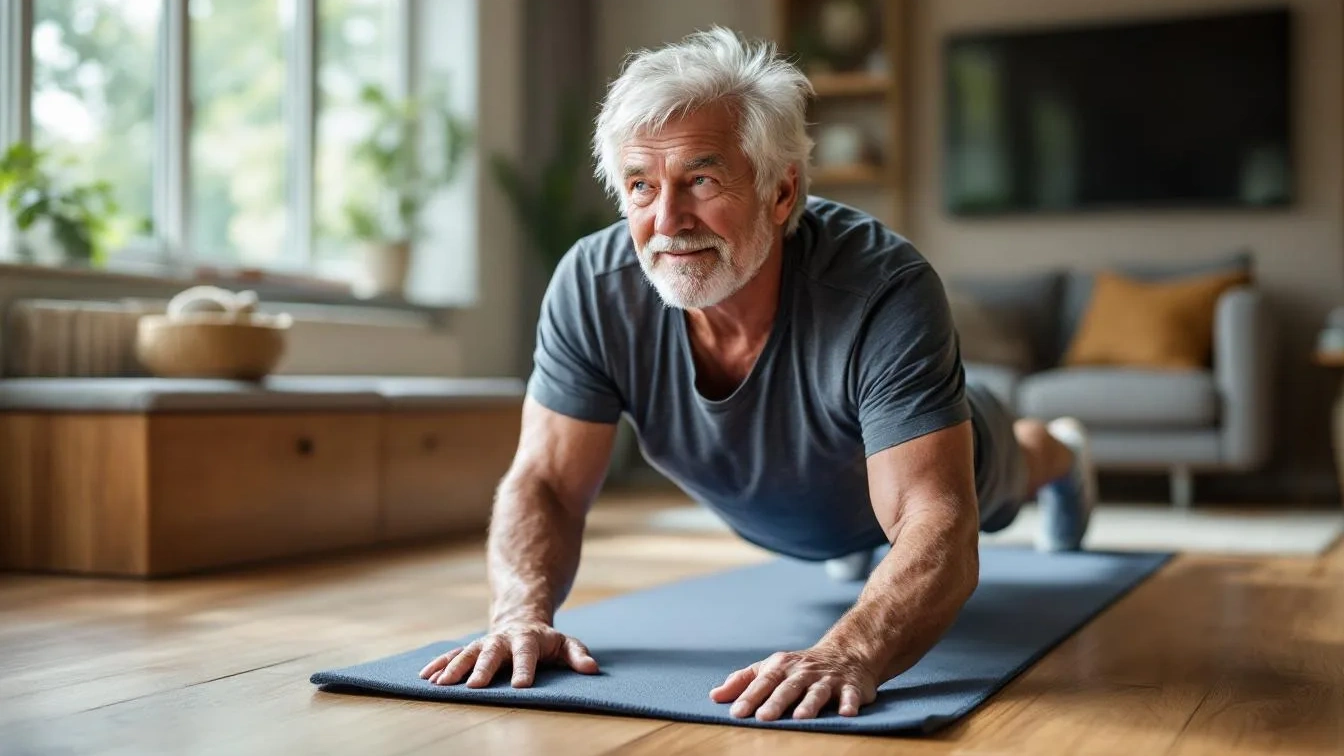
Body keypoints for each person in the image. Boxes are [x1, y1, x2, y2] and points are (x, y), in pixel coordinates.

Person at [419, 27, 1096, 722]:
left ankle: (1063, 450)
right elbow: (549, 484)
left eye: (701, 180)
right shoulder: (591, 286)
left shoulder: (883, 287)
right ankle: (858, 546)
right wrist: (518, 614)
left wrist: (851, 648)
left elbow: (937, 522)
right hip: (796, 498)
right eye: (640, 186)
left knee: (1015, 463)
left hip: (928, 456)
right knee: (858, 528)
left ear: (781, 191)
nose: (667, 220)